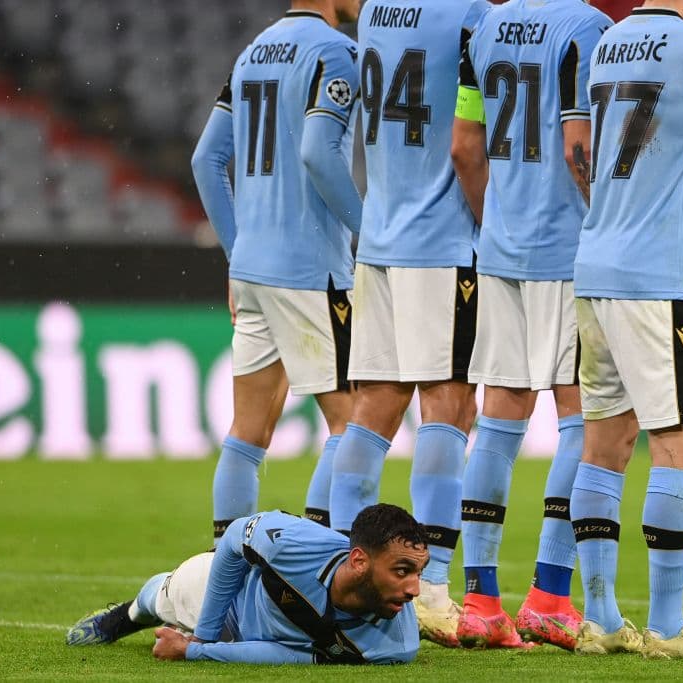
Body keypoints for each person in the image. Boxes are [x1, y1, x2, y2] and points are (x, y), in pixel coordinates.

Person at [569, 0, 683, 657]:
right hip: (662, 276)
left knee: (604, 441)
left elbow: (585, 151)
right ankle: (669, 627)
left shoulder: (608, 42)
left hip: (595, 265)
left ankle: (601, 618)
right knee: (679, 439)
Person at [328, 0, 490, 648]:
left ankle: (342, 570)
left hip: (382, 236)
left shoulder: (377, 14)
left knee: (372, 409)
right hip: (442, 239)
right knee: (449, 406)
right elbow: (468, 138)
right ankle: (437, 588)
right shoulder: (472, 15)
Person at [450, 0, 611, 650]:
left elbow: (465, 148)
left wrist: (498, 225)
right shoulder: (589, 28)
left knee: (499, 419)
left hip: (502, 252)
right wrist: (608, 225)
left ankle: (481, 601)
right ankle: (549, 593)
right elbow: (583, 144)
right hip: (568, 251)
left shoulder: (485, 29)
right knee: (583, 417)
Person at [190, 0, 363, 542]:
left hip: (253, 270)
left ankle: (227, 573)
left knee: (247, 434)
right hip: (310, 269)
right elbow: (317, 152)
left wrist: (238, 250)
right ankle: (314, 570)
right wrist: (367, 230)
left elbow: (205, 160)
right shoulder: (336, 51)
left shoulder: (252, 54)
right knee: (355, 424)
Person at [66, 504, 428, 665]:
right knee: (164, 597)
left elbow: (295, 657)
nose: (414, 590)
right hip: (234, 597)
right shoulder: (293, 543)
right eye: (401, 571)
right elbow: (236, 536)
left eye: (419, 573)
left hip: (260, 637)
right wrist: (204, 637)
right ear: (359, 560)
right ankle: (123, 616)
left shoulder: (398, 645)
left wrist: (194, 652)